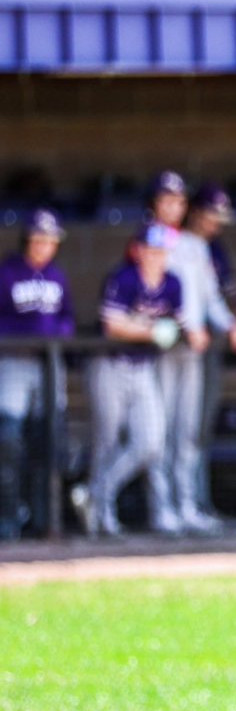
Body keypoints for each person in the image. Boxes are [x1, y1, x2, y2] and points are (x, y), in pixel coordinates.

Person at [77, 223, 187, 536]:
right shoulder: (123, 278)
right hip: (109, 367)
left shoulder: (173, 283)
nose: (157, 257)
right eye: (152, 250)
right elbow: (113, 325)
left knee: (151, 441)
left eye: (163, 251)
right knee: (106, 442)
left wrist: (171, 330)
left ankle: (95, 493)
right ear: (138, 250)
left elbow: (177, 326)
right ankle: (102, 517)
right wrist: (151, 331)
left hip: (142, 369)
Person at [157, 178, 236, 534]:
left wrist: (230, 325)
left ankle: (187, 505)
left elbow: (211, 298)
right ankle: (163, 507)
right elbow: (158, 295)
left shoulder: (197, 247)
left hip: (195, 348)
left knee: (189, 431)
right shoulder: (154, 240)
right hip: (165, 347)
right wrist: (185, 325)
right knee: (160, 433)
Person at [0, 208, 74, 540]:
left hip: (48, 364)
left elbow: (68, 318)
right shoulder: (7, 272)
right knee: (9, 441)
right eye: (39, 239)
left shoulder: (58, 276)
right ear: (27, 240)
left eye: (51, 240)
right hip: (13, 362)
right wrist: (29, 332)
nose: (45, 246)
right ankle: (8, 518)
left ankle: (46, 519)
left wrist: (54, 334)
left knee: (50, 441)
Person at [190, 183, 236, 519]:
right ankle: (175, 506)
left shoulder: (216, 250)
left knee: (200, 429)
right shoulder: (173, 244)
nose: (216, 224)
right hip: (172, 349)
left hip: (207, 347)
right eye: (211, 216)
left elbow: (228, 297)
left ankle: (197, 502)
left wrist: (234, 321)